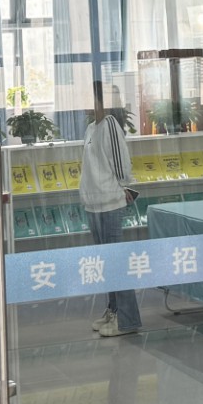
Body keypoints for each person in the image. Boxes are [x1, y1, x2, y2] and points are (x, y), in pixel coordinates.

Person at [79, 81, 140, 337]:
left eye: (90, 98)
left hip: (111, 203)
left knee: (116, 262)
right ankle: (114, 310)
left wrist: (126, 186)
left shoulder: (111, 125)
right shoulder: (91, 128)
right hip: (94, 205)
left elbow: (121, 162)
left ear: (101, 101)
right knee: (105, 263)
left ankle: (127, 319)